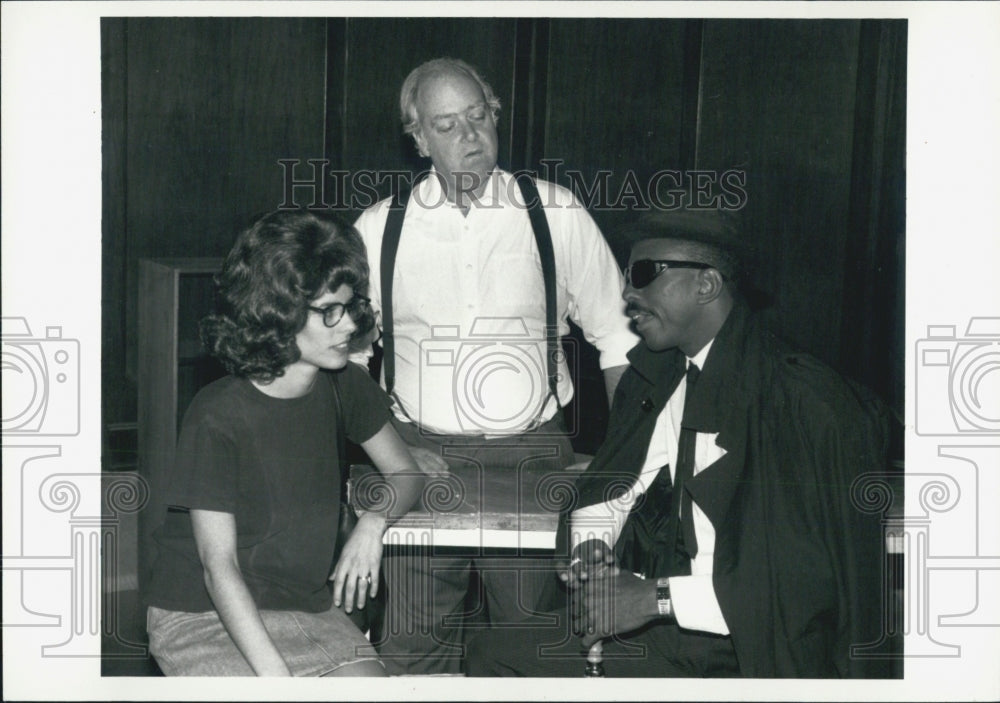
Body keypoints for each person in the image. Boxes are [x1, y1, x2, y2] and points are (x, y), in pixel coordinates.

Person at [465, 208, 892, 677]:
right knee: (493, 650)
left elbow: (805, 586)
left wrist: (656, 598)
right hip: (669, 626)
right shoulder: (661, 375)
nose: (627, 292)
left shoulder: (800, 401)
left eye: (645, 275)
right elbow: (618, 483)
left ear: (706, 285)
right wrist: (593, 547)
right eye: (629, 275)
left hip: (755, 649)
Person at [351, 57, 639, 674]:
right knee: (411, 648)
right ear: (418, 137)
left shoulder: (555, 212)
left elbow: (619, 337)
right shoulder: (379, 228)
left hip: (534, 458)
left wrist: (625, 457)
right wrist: (392, 446)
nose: (469, 137)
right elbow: (345, 360)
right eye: (447, 125)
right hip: (417, 461)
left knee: (534, 647)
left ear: (496, 115)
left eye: (478, 117)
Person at [143, 210, 425, 676]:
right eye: (329, 311)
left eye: (351, 306)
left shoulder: (344, 385)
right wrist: (276, 679)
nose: (349, 326)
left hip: (303, 605)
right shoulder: (216, 414)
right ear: (278, 312)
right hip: (202, 614)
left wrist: (373, 525)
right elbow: (219, 568)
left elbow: (407, 472)